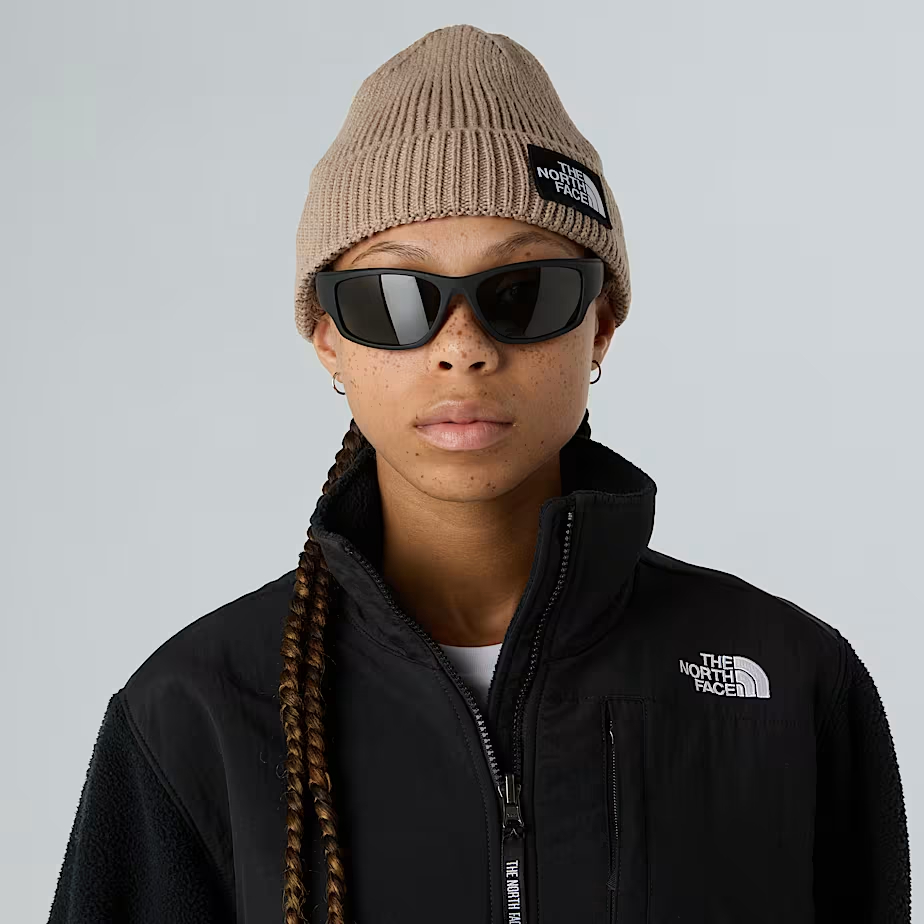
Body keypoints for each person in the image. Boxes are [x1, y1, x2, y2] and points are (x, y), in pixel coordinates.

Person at [47, 23, 910, 924]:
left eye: (524, 292)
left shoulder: (787, 683)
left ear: (600, 325)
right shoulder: (192, 712)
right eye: (393, 298)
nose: (461, 347)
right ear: (328, 338)